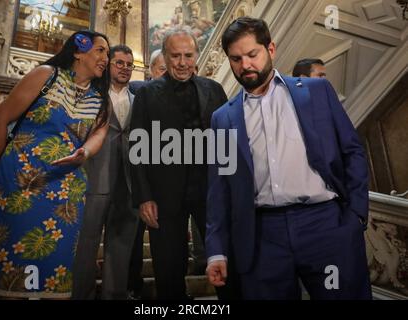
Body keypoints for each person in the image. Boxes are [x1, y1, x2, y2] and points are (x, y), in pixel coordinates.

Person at [205, 17, 372, 300]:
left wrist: (355, 216)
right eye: (236, 58)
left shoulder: (317, 92)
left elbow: (352, 151)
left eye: (252, 54)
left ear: (271, 49)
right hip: (262, 238)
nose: (245, 65)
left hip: (325, 227)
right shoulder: (222, 118)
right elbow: (219, 190)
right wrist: (216, 250)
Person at [0, 30, 111, 299]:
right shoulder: (46, 75)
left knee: (54, 273)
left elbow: (99, 133)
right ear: (78, 51)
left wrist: (84, 153)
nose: (106, 58)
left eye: (107, 52)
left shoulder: (100, 98)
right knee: (14, 270)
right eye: (100, 50)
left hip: (66, 195)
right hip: (19, 185)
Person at [129, 27, 228, 299]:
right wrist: (144, 197)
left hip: (209, 191)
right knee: (168, 270)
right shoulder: (147, 94)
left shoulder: (215, 89)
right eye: (175, 56)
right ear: (165, 56)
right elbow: (137, 151)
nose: (182, 63)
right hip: (164, 196)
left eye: (188, 55)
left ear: (196, 55)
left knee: (227, 263)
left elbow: (228, 141)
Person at [72, 45, 138, 300]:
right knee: (86, 245)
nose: (125, 68)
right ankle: (81, 295)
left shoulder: (139, 99)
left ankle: (114, 295)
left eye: (129, 65)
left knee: (121, 249)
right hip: (94, 180)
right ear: (109, 65)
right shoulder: (91, 95)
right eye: (119, 63)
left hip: (129, 185)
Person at [127, 48, 166, 300]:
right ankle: (133, 285)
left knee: (165, 244)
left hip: (168, 182)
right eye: (162, 69)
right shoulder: (138, 91)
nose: (168, 73)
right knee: (133, 238)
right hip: (139, 181)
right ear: (151, 70)